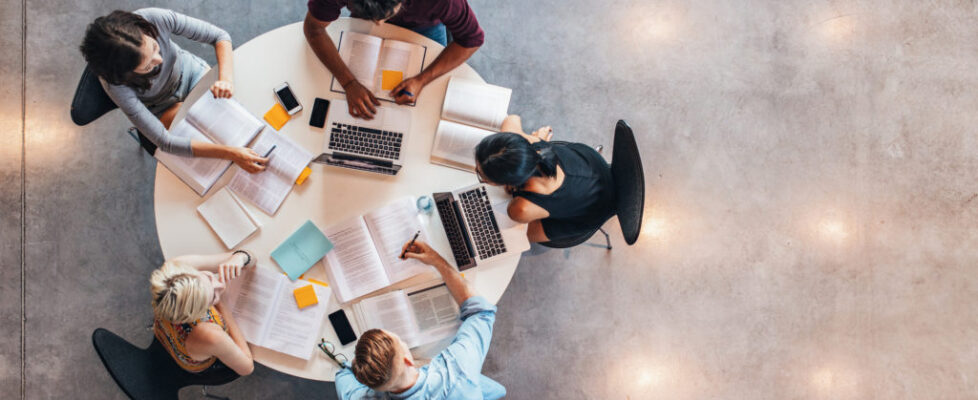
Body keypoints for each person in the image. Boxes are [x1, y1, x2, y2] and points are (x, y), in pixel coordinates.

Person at [79, 8, 268, 173]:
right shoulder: (115, 84)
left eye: (155, 47)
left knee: (241, 110)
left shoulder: (153, 18)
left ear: (143, 30)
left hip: (192, 75)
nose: (159, 60)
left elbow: (220, 36)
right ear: (125, 75)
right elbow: (165, 142)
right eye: (147, 66)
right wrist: (231, 153)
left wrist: (226, 79)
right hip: (160, 107)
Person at [335, 241, 506, 399]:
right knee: (494, 390)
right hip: (466, 390)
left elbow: (343, 376)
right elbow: (481, 312)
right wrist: (437, 261)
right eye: (399, 341)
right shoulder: (457, 367)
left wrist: (359, 367)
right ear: (409, 360)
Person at [304, 0, 485, 118]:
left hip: (425, 27)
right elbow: (314, 29)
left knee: (426, 108)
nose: (379, 25)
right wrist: (349, 82)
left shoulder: (445, 2)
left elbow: (472, 40)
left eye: (385, 16)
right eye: (374, 18)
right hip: (363, 18)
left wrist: (422, 79)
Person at [475, 115, 617, 243]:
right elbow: (512, 119)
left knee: (517, 237)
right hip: (593, 167)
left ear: (507, 182)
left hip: (593, 212)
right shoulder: (530, 143)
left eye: (481, 176)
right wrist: (536, 139)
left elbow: (518, 214)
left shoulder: (520, 209)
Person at [149, 250, 256, 376]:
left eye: (209, 277)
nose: (220, 285)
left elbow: (251, 256)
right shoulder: (211, 335)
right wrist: (223, 305)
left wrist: (240, 258)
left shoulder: (176, 267)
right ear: (198, 313)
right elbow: (247, 368)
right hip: (197, 361)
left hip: (164, 331)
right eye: (213, 297)